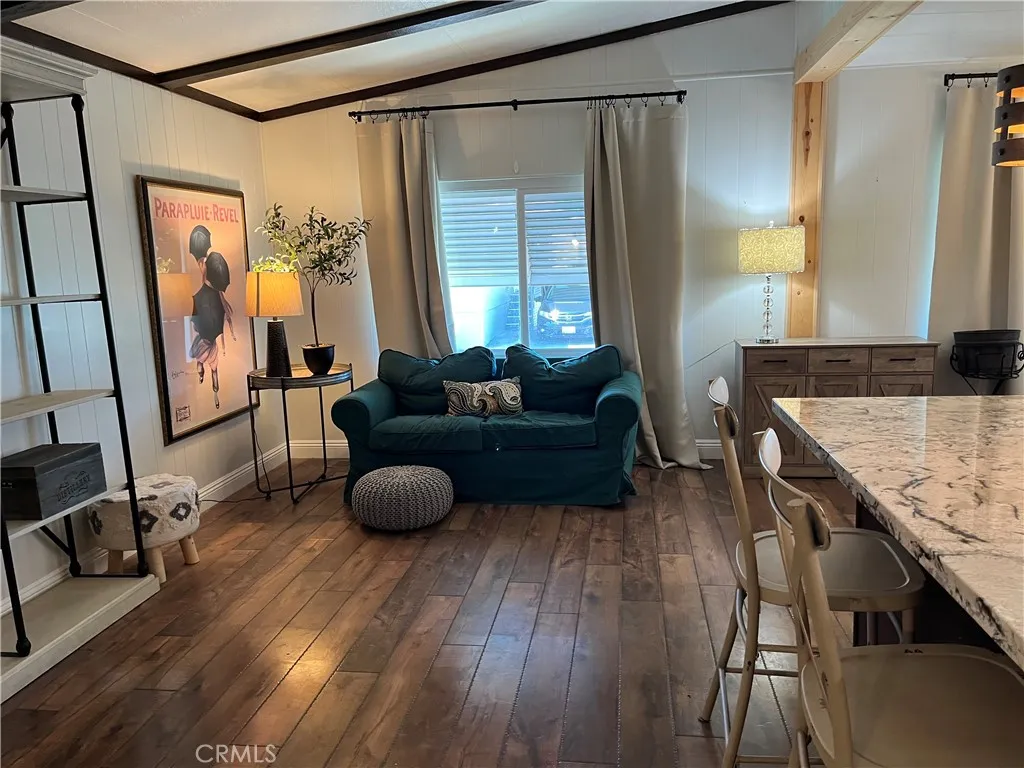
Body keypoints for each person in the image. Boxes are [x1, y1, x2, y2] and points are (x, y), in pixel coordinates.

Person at [187, 225, 236, 409]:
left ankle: (209, 384)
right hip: (210, 336)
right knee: (211, 365)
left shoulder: (206, 294)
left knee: (205, 362)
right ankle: (214, 389)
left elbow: (197, 324)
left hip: (207, 336)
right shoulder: (213, 297)